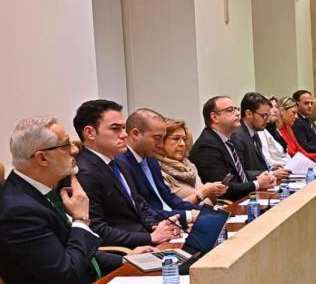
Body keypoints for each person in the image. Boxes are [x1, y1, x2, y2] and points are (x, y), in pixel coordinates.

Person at [0, 116, 180, 284]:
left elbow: (76, 253)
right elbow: (67, 273)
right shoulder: (19, 210)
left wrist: (129, 261)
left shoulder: (40, 192)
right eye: (65, 145)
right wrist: (81, 220)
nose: (75, 149)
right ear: (41, 158)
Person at [73, 100, 178, 248]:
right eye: (115, 129)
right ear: (90, 133)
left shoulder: (119, 163)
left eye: (123, 128)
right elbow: (96, 229)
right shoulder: (84, 172)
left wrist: (160, 226)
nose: (124, 135)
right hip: (125, 253)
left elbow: (141, 207)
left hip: (146, 243)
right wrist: (149, 238)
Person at [117, 109, 201, 227]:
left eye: (163, 138)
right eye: (157, 138)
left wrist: (202, 211)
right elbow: (145, 210)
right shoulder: (121, 164)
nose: (161, 145)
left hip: (173, 223)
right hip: (155, 228)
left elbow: (168, 198)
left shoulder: (151, 159)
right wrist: (187, 216)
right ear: (135, 134)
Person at [189, 96, 276, 201]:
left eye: (236, 109)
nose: (237, 113)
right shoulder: (207, 146)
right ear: (214, 117)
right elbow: (222, 187)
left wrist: (262, 176)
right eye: (230, 110)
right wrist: (257, 184)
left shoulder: (227, 140)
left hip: (242, 199)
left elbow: (238, 174)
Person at [156, 119, 227, 206]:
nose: (182, 144)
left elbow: (205, 201)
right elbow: (172, 209)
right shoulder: (158, 171)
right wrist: (202, 194)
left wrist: (213, 192)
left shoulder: (189, 165)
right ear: (161, 142)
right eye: (176, 139)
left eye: (184, 139)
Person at [230, 92, 289, 183]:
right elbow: (240, 173)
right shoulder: (237, 136)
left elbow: (259, 165)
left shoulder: (255, 131)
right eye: (264, 116)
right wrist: (271, 174)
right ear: (249, 114)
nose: (267, 119)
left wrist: (271, 167)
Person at [278, 96, 316, 161]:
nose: (296, 117)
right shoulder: (277, 131)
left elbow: (300, 150)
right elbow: (292, 154)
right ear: (282, 111)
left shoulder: (288, 127)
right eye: (293, 112)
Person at [290, 89, 316, 155]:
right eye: (306, 103)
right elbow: (305, 147)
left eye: (311, 103)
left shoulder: (308, 118)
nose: (310, 106)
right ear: (296, 104)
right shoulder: (296, 121)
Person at [258, 97, 290, 168]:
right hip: (278, 170)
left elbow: (285, 154)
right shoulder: (261, 131)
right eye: (271, 107)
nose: (275, 110)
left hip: (288, 166)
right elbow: (267, 160)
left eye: (276, 107)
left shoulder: (275, 129)